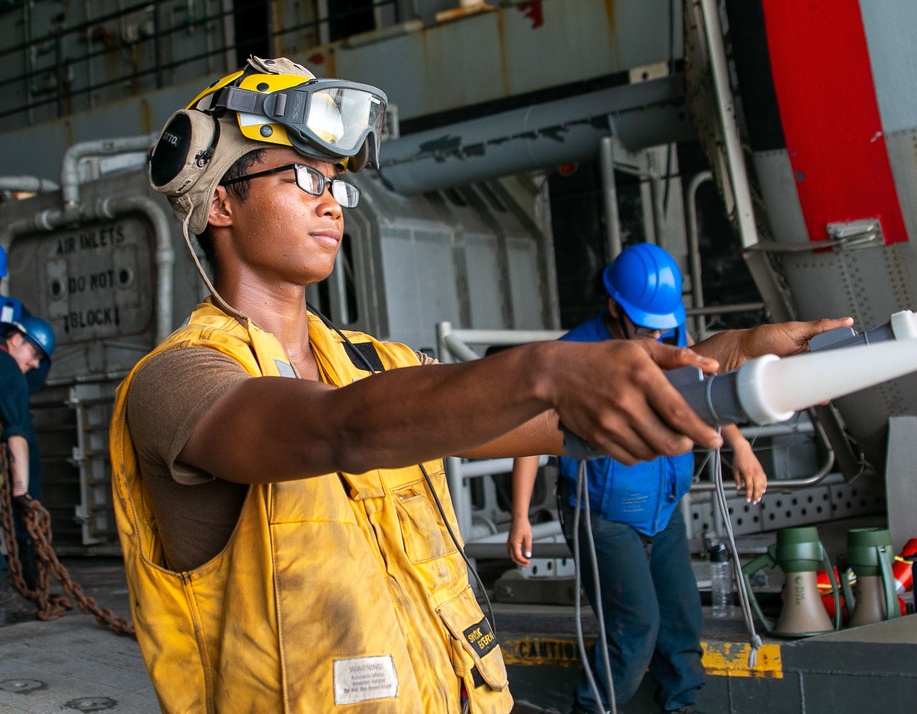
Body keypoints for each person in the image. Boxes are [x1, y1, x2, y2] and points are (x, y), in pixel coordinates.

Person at [109, 56, 852, 713]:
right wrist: (546, 366)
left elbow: (571, 422)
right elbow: (336, 428)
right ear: (219, 203)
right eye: (302, 176)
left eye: (336, 181)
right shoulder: (178, 381)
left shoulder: (374, 362)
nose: (331, 200)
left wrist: (736, 358)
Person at [506, 243, 768, 714]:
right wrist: (521, 515)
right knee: (636, 627)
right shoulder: (573, 355)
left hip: (663, 509)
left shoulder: (672, 335)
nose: (659, 335)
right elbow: (529, 436)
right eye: (648, 326)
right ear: (614, 309)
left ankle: (681, 706)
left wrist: (740, 445)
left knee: (681, 620)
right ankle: (593, 710)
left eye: (665, 325)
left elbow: (697, 392)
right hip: (603, 516)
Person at [0, 316, 56, 589]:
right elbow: (17, 435)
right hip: (15, 485)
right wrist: (21, 492)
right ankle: (26, 589)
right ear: (15, 339)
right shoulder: (8, 369)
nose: (35, 363)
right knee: (21, 532)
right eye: (34, 353)